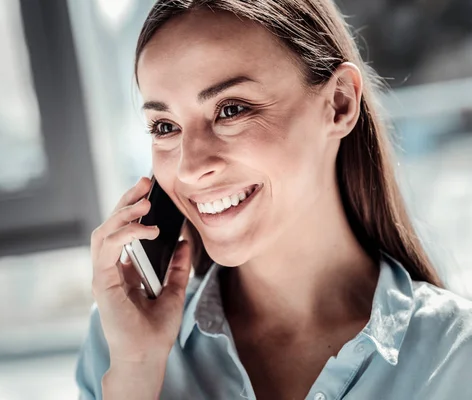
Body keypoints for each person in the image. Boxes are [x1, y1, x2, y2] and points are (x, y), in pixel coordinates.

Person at [76, 1, 472, 399]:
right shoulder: (120, 341)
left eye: (231, 110)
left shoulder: (456, 358)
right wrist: (135, 373)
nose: (190, 168)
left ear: (339, 104)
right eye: (165, 126)